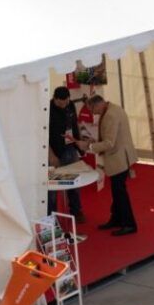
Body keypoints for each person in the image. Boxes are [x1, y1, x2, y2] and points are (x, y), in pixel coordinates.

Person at [76, 95, 138, 236]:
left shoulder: (110, 115)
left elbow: (109, 143)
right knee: (117, 191)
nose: (92, 113)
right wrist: (94, 141)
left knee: (119, 193)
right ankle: (116, 219)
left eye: (92, 109)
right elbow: (110, 137)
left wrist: (89, 146)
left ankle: (129, 224)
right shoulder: (113, 109)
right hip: (121, 156)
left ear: (97, 105)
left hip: (118, 158)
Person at [47, 87, 85, 223]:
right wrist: (51, 155)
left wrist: (80, 145)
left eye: (66, 102)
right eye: (61, 103)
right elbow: (42, 135)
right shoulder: (46, 109)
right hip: (54, 151)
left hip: (70, 148)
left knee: (74, 181)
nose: (64, 105)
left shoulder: (71, 105)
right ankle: (50, 217)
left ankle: (76, 210)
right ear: (55, 99)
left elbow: (75, 125)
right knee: (52, 187)